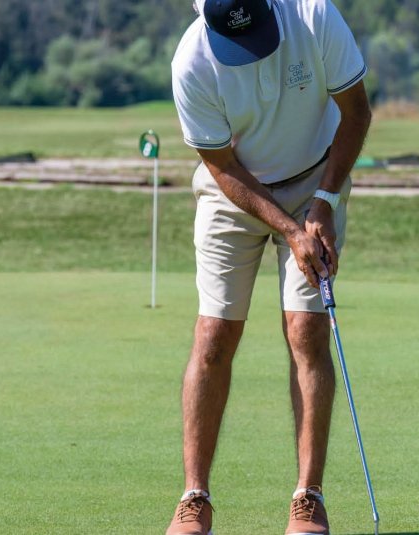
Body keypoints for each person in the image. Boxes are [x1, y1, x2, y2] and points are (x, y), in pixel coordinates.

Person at [166, 0, 371, 534]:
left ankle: (308, 497)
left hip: (314, 179)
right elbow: (222, 166)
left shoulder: (313, 16)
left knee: (306, 331)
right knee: (214, 336)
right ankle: (194, 498)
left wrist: (323, 201)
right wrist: (287, 228)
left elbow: (356, 112)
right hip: (231, 192)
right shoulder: (191, 61)